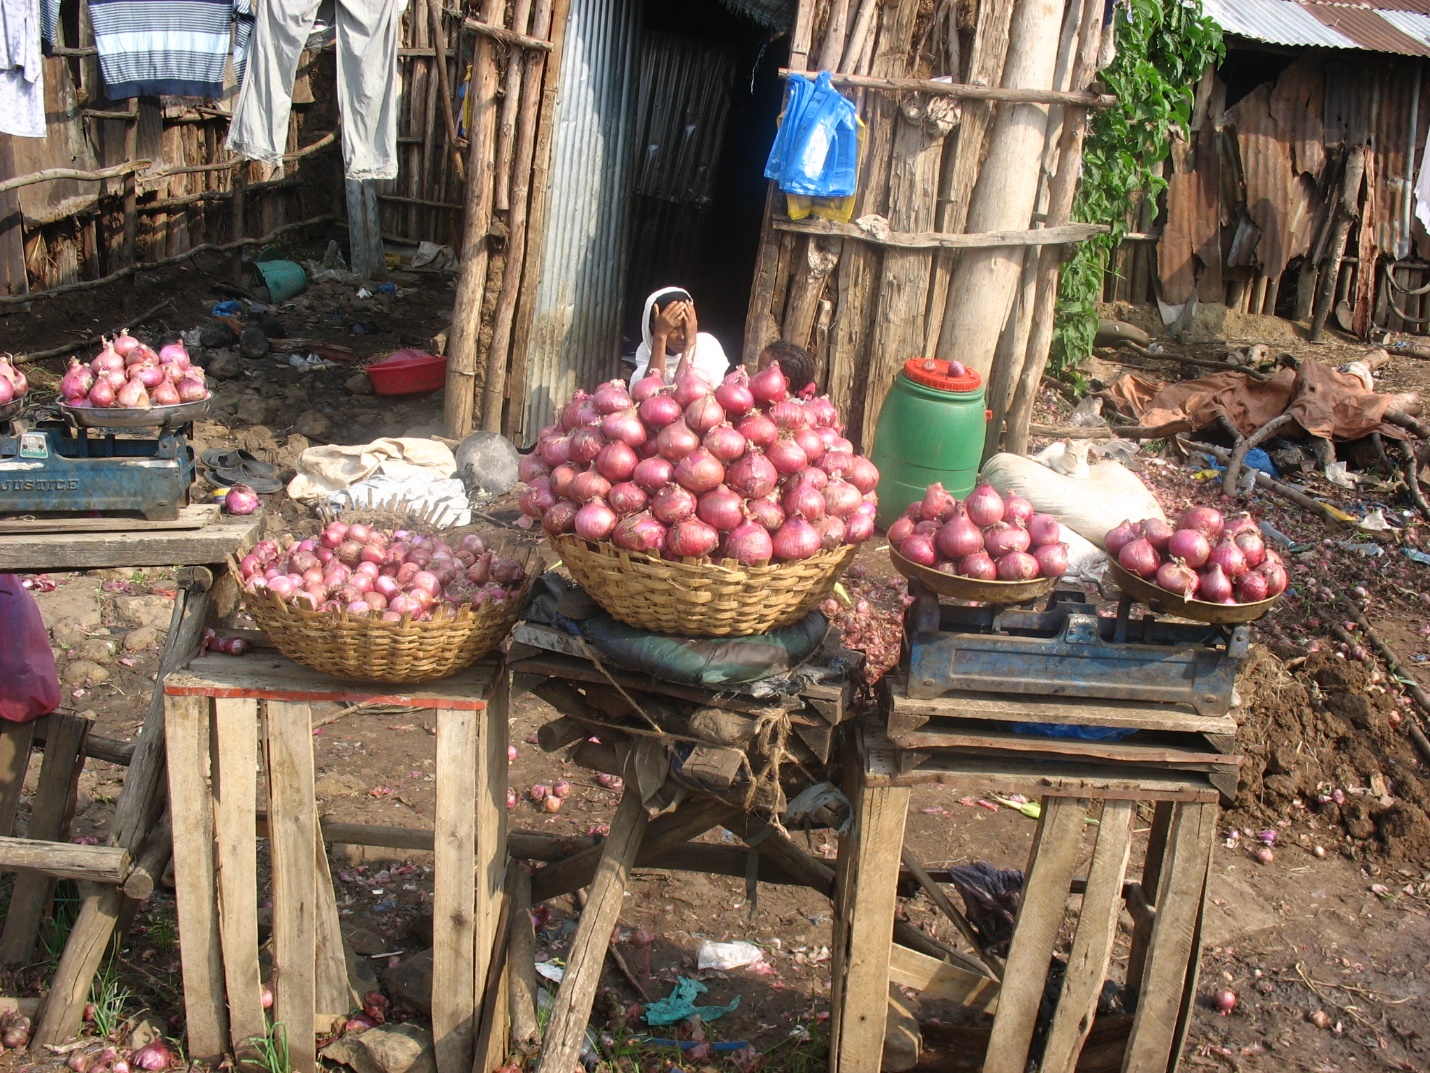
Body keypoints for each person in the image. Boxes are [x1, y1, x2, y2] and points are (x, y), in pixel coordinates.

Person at [629, 287, 730, 388]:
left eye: (686, 327)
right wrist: (660, 336)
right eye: (674, 329)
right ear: (654, 328)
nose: (682, 336)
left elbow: (685, 392)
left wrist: (691, 342)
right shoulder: (646, 351)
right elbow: (649, 392)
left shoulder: (707, 346)